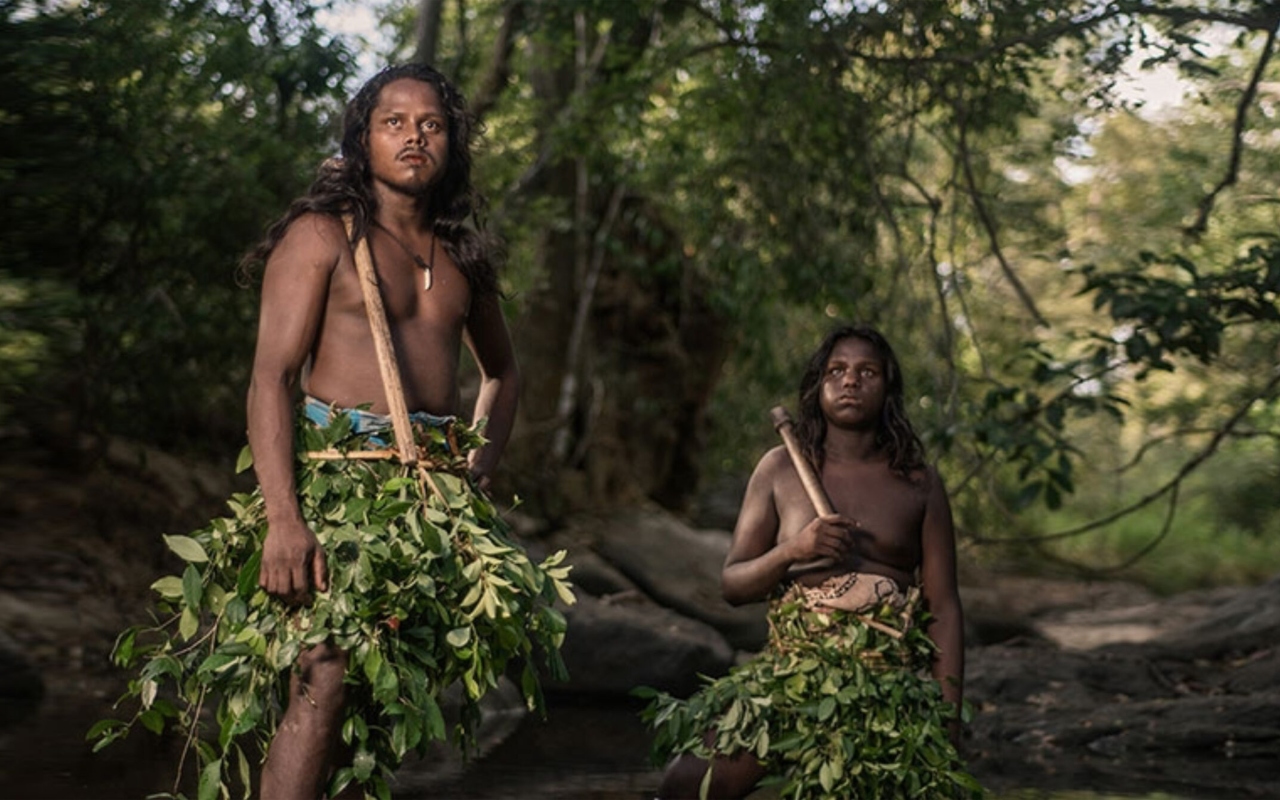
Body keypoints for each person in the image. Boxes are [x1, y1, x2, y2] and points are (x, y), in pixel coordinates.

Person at [95, 63, 572, 800]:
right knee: (323, 668)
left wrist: (478, 476)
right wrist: (283, 519)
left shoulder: (462, 258)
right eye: (394, 123)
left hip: (427, 503)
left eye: (432, 124)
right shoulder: (322, 237)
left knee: (381, 692)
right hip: (337, 484)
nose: (414, 137)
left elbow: (503, 375)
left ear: (452, 143)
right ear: (362, 140)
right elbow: (271, 378)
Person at [645, 324, 981, 799]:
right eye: (836, 370)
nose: (850, 381)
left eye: (867, 372)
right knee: (686, 785)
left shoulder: (918, 482)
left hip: (886, 685)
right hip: (792, 673)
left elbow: (943, 607)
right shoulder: (779, 469)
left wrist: (947, 722)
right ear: (817, 385)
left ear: (888, 386)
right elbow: (733, 585)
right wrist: (793, 551)